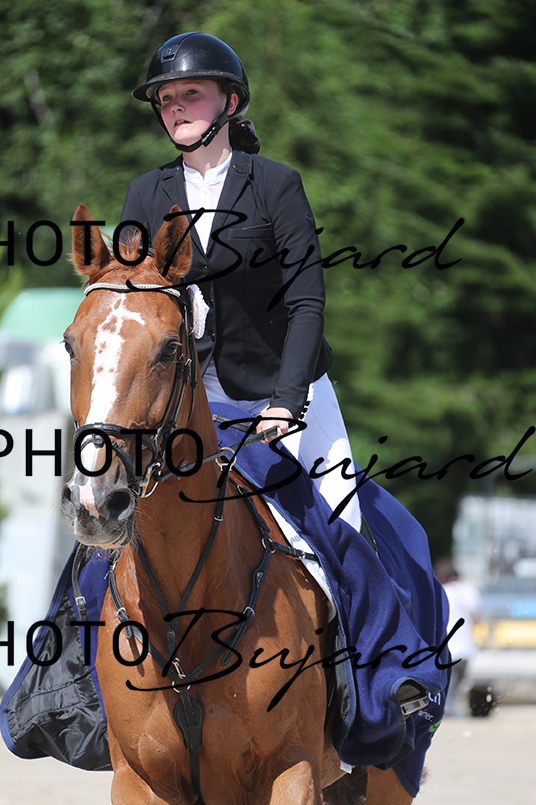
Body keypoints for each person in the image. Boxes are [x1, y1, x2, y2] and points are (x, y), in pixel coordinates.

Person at [121, 32, 361, 532]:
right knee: (120, 517)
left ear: (229, 102)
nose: (175, 107)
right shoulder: (144, 194)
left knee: (344, 522)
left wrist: (286, 403)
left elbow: (306, 303)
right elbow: (130, 306)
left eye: (191, 93)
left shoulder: (276, 185)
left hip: (287, 390)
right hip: (193, 399)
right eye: (166, 98)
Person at [434, 558, 482, 715]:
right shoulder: (469, 590)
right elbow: (477, 618)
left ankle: (448, 712)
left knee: (448, 686)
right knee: (456, 686)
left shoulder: (441, 591)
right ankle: (452, 710)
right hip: (467, 647)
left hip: (447, 648)